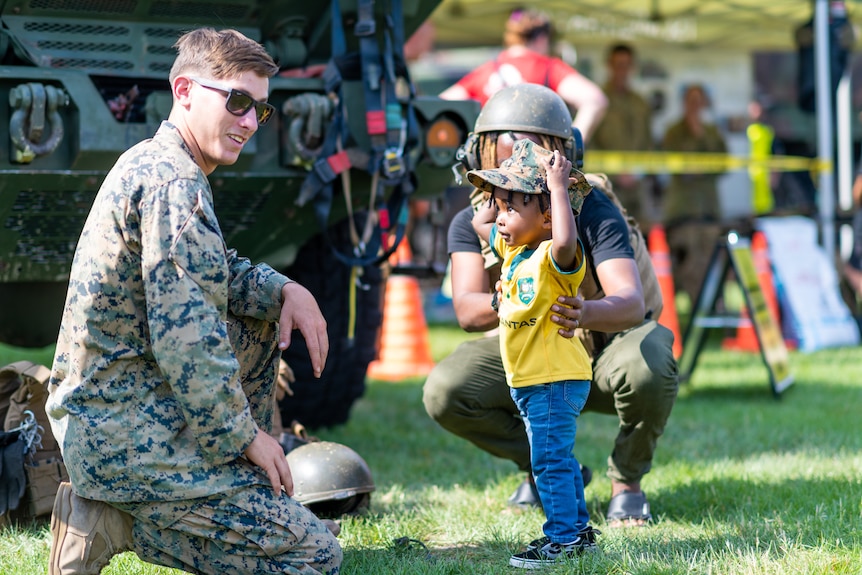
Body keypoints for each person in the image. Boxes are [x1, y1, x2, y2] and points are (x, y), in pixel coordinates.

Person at [45, 28, 342, 575]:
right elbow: (189, 341)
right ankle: (111, 518)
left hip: (113, 416)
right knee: (313, 554)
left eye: (260, 109)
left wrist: (285, 290)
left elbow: (214, 275)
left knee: (256, 312)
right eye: (237, 101)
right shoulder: (172, 183)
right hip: (121, 433)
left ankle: (149, 506)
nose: (251, 121)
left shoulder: (163, 164)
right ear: (183, 90)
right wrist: (248, 437)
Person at [423, 83, 678, 530]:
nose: (520, 159)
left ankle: (627, 483)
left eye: (534, 148)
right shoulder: (476, 220)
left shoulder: (592, 207)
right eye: (507, 148)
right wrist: (512, 297)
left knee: (650, 359)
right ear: (481, 153)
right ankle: (550, 468)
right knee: (447, 390)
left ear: (563, 156)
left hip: (603, 348)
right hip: (533, 355)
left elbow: (631, 303)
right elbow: (466, 310)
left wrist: (582, 311)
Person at [468, 139, 599, 568]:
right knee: (557, 458)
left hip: (552, 378)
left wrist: (557, 187)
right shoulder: (514, 251)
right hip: (532, 380)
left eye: (512, 209)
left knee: (548, 462)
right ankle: (578, 532)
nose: (502, 219)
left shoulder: (553, 256)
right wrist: (499, 190)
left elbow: (563, 238)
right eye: (501, 208)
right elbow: (478, 223)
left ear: (545, 218)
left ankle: (561, 539)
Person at [439, 7, 607, 143]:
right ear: (542, 38)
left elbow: (441, 104)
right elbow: (595, 100)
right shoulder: (549, 68)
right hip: (536, 167)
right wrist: (572, 144)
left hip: (492, 168)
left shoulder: (487, 70)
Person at [661, 83, 728, 305]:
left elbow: (723, 164)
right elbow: (674, 165)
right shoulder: (674, 131)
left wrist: (701, 134)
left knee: (712, 260)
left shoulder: (711, 132)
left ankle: (713, 306)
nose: (695, 106)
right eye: (691, 100)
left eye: (699, 101)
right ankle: (695, 307)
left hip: (708, 209)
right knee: (688, 263)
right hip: (683, 211)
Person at [591, 43, 657, 232]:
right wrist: (615, 173)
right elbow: (589, 144)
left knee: (640, 239)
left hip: (637, 187)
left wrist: (637, 172)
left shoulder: (640, 103)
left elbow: (648, 143)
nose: (622, 70)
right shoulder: (597, 101)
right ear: (609, 65)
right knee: (608, 237)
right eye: (618, 64)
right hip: (606, 185)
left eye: (626, 65)